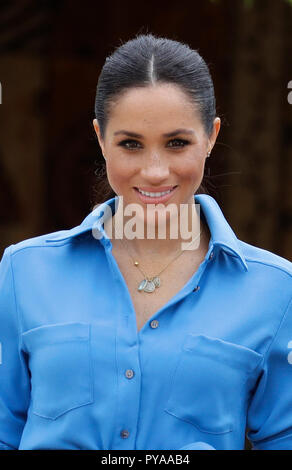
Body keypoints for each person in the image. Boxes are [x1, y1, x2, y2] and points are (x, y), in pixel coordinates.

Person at [0, 33, 291, 451]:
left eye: (177, 143)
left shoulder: (276, 290)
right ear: (101, 139)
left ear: (211, 136)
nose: (155, 171)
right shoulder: (23, 272)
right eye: (130, 144)